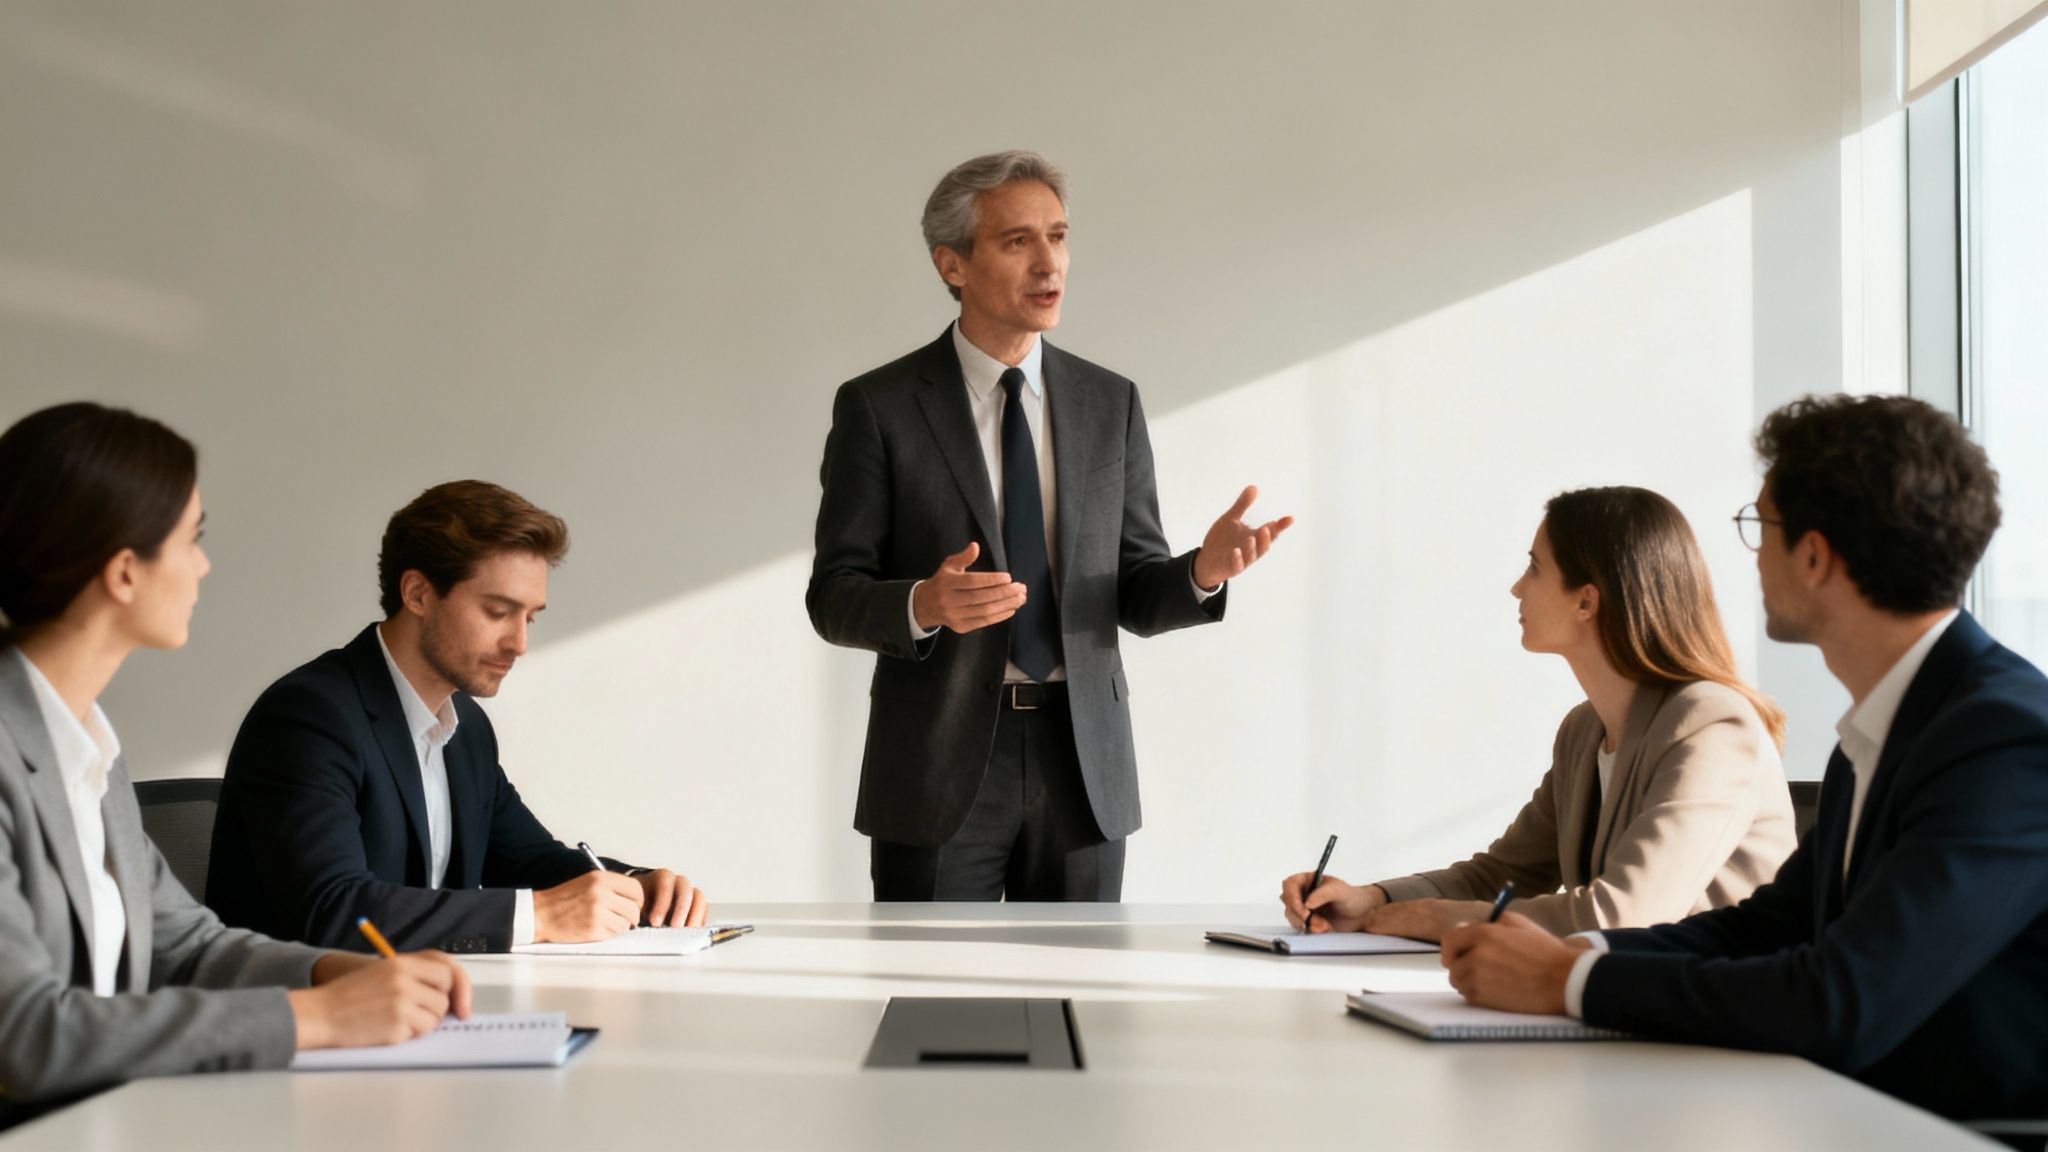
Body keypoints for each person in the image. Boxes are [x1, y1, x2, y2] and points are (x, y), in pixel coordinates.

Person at [1441, 395, 2048, 1122]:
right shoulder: (1889, 727)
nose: (1753, 554)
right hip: (1846, 1111)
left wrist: (1570, 980)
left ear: (1816, 555)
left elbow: (1840, 999)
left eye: (1761, 526)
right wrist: (1576, 954)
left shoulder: (2005, 739)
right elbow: (1762, 927)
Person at [807, 150, 1293, 901]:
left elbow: (1130, 592)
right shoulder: (880, 407)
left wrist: (1200, 574)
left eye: (1058, 237)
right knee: (939, 1008)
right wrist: (923, 605)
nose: (1048, 263)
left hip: (1083, 764)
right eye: (1016, 241)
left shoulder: (1110, 403)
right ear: (953, 264)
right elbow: (834, 596)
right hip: (935, 765)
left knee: (1075, 1006)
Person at [0, 403, 471, 1123]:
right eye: (192, 539)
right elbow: (25, 1037)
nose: (204, 564)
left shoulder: (84, 740)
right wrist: (317, 1018)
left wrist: (332, 971)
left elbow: (185, 944)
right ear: (125, 572)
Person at [206, 481, 708, 953]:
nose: (520, 644)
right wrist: (539, 916)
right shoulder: (308, 716)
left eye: (529, 617)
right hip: (306, 1023)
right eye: (498, 612)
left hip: (423, 1009)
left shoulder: (464, 727)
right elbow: (334, 911)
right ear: (418, 593)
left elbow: (529, 860)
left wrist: (638, 887)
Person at [1281, 486, 1796, 941]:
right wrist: (1374, 900)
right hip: (1627, 1010)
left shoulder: (1713, 727)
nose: (1517, 588)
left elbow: (1621, 917)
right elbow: (1500, 876)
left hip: (1713, 1031)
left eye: (1534, 568)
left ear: (1586, 602)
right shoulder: (1583, 731)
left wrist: (1435, 919)